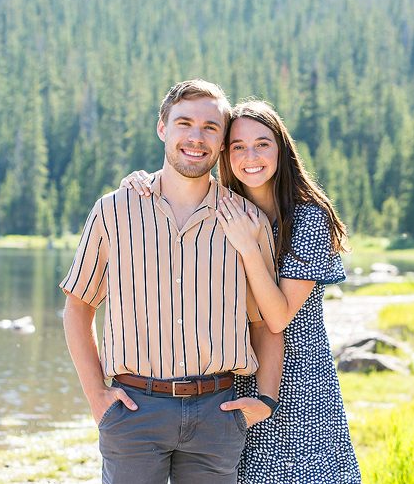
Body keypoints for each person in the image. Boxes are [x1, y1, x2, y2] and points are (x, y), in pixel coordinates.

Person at [121, 99, 362, 483]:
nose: (251, 155)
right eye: (238, 146)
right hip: (232, 378)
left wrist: (249, 246)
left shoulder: (308, 217)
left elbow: (278, 317)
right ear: (222, 153)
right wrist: (141, 182)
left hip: (298, 381)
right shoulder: (225, 208)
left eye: (262, 144)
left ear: (281, 149)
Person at [61, 80, 285, 484]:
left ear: (222, 143)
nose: (196, 138)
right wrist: (97, 396)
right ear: (162, 128)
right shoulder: (114, 212)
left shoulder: (246, 221)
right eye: (184, 123)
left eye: (210, 128)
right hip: (133, 411)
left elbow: (264, 322)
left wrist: (265, 399)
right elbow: (78, 307)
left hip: (217, 415)